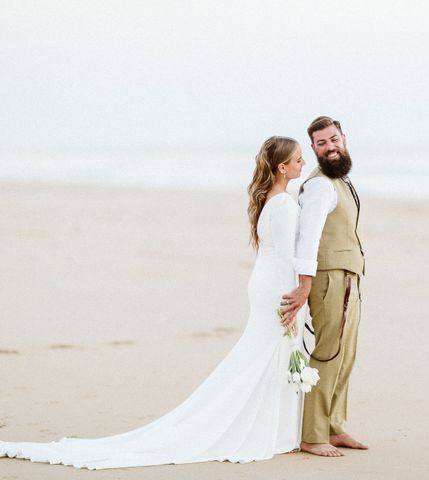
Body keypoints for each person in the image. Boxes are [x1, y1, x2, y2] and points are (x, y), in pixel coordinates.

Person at [0, 136, 307, 470]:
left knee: (264, 355)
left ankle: (275, 431)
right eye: (298, 160)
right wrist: (300, 291)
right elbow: (293, 256)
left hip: (264, 283)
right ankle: (269, 433)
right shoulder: (285, 205)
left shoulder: (270, 199)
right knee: (266, 354)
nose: (302, 164)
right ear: (282, 167)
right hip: (277, 286)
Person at [280, 116, 368, 457]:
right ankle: (314, 435)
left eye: (333, 139)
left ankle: (334, 426)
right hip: (330, 278)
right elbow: (308, 239)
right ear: (314, 150)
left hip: (348, 275)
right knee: (329, 353)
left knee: (346, 354)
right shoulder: (319, 186)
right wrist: (304, 287)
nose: (330, 147)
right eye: (321, 143)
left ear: (344, 138)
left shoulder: (341, 180)